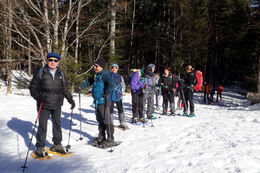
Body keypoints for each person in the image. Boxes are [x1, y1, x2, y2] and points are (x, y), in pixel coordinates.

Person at [29, 52, 75, 157]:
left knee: (57, 124)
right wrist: (38, 97)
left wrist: (70, 100)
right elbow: (32, 88)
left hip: (57, 104)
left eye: (55, 60)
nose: (53, 62)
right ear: (47, 61)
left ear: (58, 62)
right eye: (50, 60)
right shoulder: (41, 72)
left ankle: (57, 144)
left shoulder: (61, 74)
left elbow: (65, 89)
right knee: (43, 125)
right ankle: (40, 147)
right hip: (44, 104)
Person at [91, 58, 115, 147]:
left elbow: (112, 84)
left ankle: (110, 138)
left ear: (101, 66)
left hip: (105, 101)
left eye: (96, 66)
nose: (94, 67)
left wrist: (106, 93)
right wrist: (81, 86)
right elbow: (91, 81)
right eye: (94, 65)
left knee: (106, 120)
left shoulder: (106, 74)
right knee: (100, 119)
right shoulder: (98, 74)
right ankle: (101, 136)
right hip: (98, 102)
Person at [110, 63, 128, 129]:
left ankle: (122, 122)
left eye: (115, 68)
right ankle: (111, 122)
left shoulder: (120, 76)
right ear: (111, 69)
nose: (114, 69)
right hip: (110, 95)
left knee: (120, 108)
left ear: (117, 69)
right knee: (110, 109)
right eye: (113, 68)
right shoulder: (108, 75)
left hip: (118, 94)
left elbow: (123, 84)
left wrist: (122, 90)